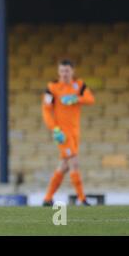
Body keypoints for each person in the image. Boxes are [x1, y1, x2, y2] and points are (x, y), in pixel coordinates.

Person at [42, 59, 95, 206]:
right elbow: (46, 111)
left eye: (67, 71)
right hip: (62, 133)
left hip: (75, 131)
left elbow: (90, 99)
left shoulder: (79, 85)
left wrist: (77, 98)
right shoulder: (52, 87)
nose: (64, 74)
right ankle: (82, 198)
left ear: (72, 71)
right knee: (74, 162)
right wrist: (54, 129)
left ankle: (47, 198)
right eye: (62, 71)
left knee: (64, 165)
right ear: (58, 72)